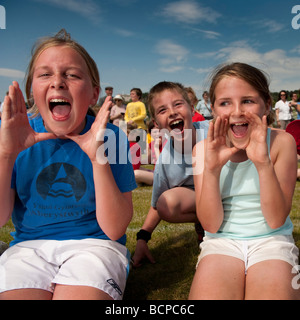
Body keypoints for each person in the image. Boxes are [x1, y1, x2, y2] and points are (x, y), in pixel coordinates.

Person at [0, 29, 136, 300]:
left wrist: (98, 157)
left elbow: (115, 228)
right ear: (32, 91)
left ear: (93, 94)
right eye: (45, 74)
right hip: (29, 247)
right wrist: (6, 155)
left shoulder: (111, 137)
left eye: (72, 74)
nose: (58, 82)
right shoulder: (12, 135)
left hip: (96, 246)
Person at [189, 62, 299, 300]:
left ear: (267, 105)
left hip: (272, 241)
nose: (237, 111)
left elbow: (275, 218)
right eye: (225, 102)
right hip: (221, 242)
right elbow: (210, 224)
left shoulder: (282, 142)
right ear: (213, 107)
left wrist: (262, 163)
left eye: (248, 100)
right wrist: (212, 170)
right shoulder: (200, 150)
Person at [132, 81, 209, 268]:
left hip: (228, 193)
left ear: (192, 109)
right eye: (162, 110)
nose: (172, 112)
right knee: (166, 203)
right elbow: (157, 205)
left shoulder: (213, 131)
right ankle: (204, 221)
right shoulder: (165, 159)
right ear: (156, 124)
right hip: (202, 200)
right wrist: (143, 238)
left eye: (177, 104)